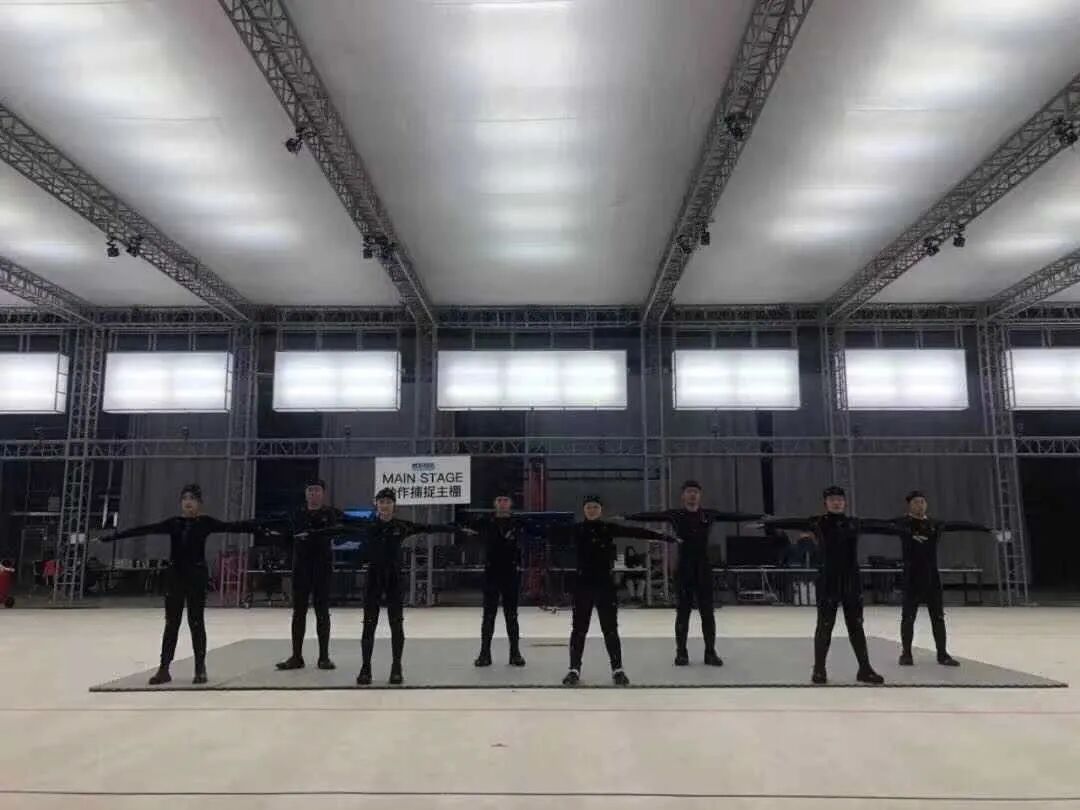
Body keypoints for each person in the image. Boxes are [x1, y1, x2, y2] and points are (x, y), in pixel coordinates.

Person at [103, 484, 264, 685]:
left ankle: (200, 668)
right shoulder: (174, 523)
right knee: (171, 623)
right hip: (175, 576)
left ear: (199, 503)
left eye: (192, 499)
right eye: (185, 498)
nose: (188, 502)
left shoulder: (205, 523)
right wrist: (114, 536)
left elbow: (233, 526)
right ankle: (164, 669)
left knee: (196, 622)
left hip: (196, 576)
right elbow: (144, 530)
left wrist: (260, 527)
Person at [313, 487, 464, 686]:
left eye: (388, 502)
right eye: (381, 502)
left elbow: (427, 528)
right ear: (376, 504)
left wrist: (455, 529)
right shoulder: (368, 525)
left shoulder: (401, 526)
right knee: (369, 624)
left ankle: (396, 668)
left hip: (394, 579)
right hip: (373, 578)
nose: (385, 505)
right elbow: (340, 529)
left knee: (396, 624)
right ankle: (365, 668)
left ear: (394, 505)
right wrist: (313, 534)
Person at [764, 486, 903, 685]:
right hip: (828, 580)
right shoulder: (818, 522)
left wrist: (900, 527)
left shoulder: (854, 523)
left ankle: (865, 669)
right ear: (826, 503)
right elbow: (793, 522)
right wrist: (769, 522)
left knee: (856, 626)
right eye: (832, 499)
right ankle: (819, 670)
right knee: (824, 625)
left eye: (839, 499)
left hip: (851, 581)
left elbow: (878, 525)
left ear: (844, 502)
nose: (836, 502)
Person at [619, 481, 762, 666]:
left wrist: (758, 516)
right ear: (683, 496)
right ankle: (681, 652)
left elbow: (732, 516)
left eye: (695, 492)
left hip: (703, 567)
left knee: (707, 612)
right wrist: (628, 516)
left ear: (700, 495)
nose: (692, 495)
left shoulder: (708, 514)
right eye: (689, 492)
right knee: (683, 612)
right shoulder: (676, 515)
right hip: (684, 567)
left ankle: (710, 652)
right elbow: (652, 515)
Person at [553, 495, 682, 687]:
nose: (592, 510)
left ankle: (617, 669)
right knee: (579, 629)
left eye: (595, 507)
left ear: (601, 510)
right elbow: (551, 533)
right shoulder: (577, 529)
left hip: (604, 584)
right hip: (582, 584)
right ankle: (574, 669)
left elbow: (636, 532)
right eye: (588, 507)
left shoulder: (608, 528)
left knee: (610, 629)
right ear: (584, 510)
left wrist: (665, 537)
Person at [890, 490, 991, 668]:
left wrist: (985, 528)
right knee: (908, 617)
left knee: (938, 617)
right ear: (909, 505)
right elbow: (879, 525)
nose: (920, 505)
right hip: (911, 577)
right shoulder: (902, 523)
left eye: (922, 502)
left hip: (931, 577)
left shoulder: (935, 524)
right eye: (916, 502)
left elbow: (959, 525)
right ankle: (906, 653)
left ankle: (942, 654)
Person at [260, 479, 349, 672]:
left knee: (322, 611)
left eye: (317, 490)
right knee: (298, 611)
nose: (313, 493)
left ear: (323, 493)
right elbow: (285, 537)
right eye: (310, 490)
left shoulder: (331, 514)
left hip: (322, 567)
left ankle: (324, 657)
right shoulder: (296, 514)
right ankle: (296, 656)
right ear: (305, 493)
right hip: (301, 567)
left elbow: (343, 530)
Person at [459, 490, 526, 668]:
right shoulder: (485, 522)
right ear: (495, 503)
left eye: (505, 500)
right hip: (491, 572)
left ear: (511, 503)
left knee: (512, 616)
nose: (502, 503)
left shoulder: (518, 523)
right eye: (499, 500)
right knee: (489, 615)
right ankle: (484, 653)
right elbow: (465, 528)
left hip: (511, 572)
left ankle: (515, 653)